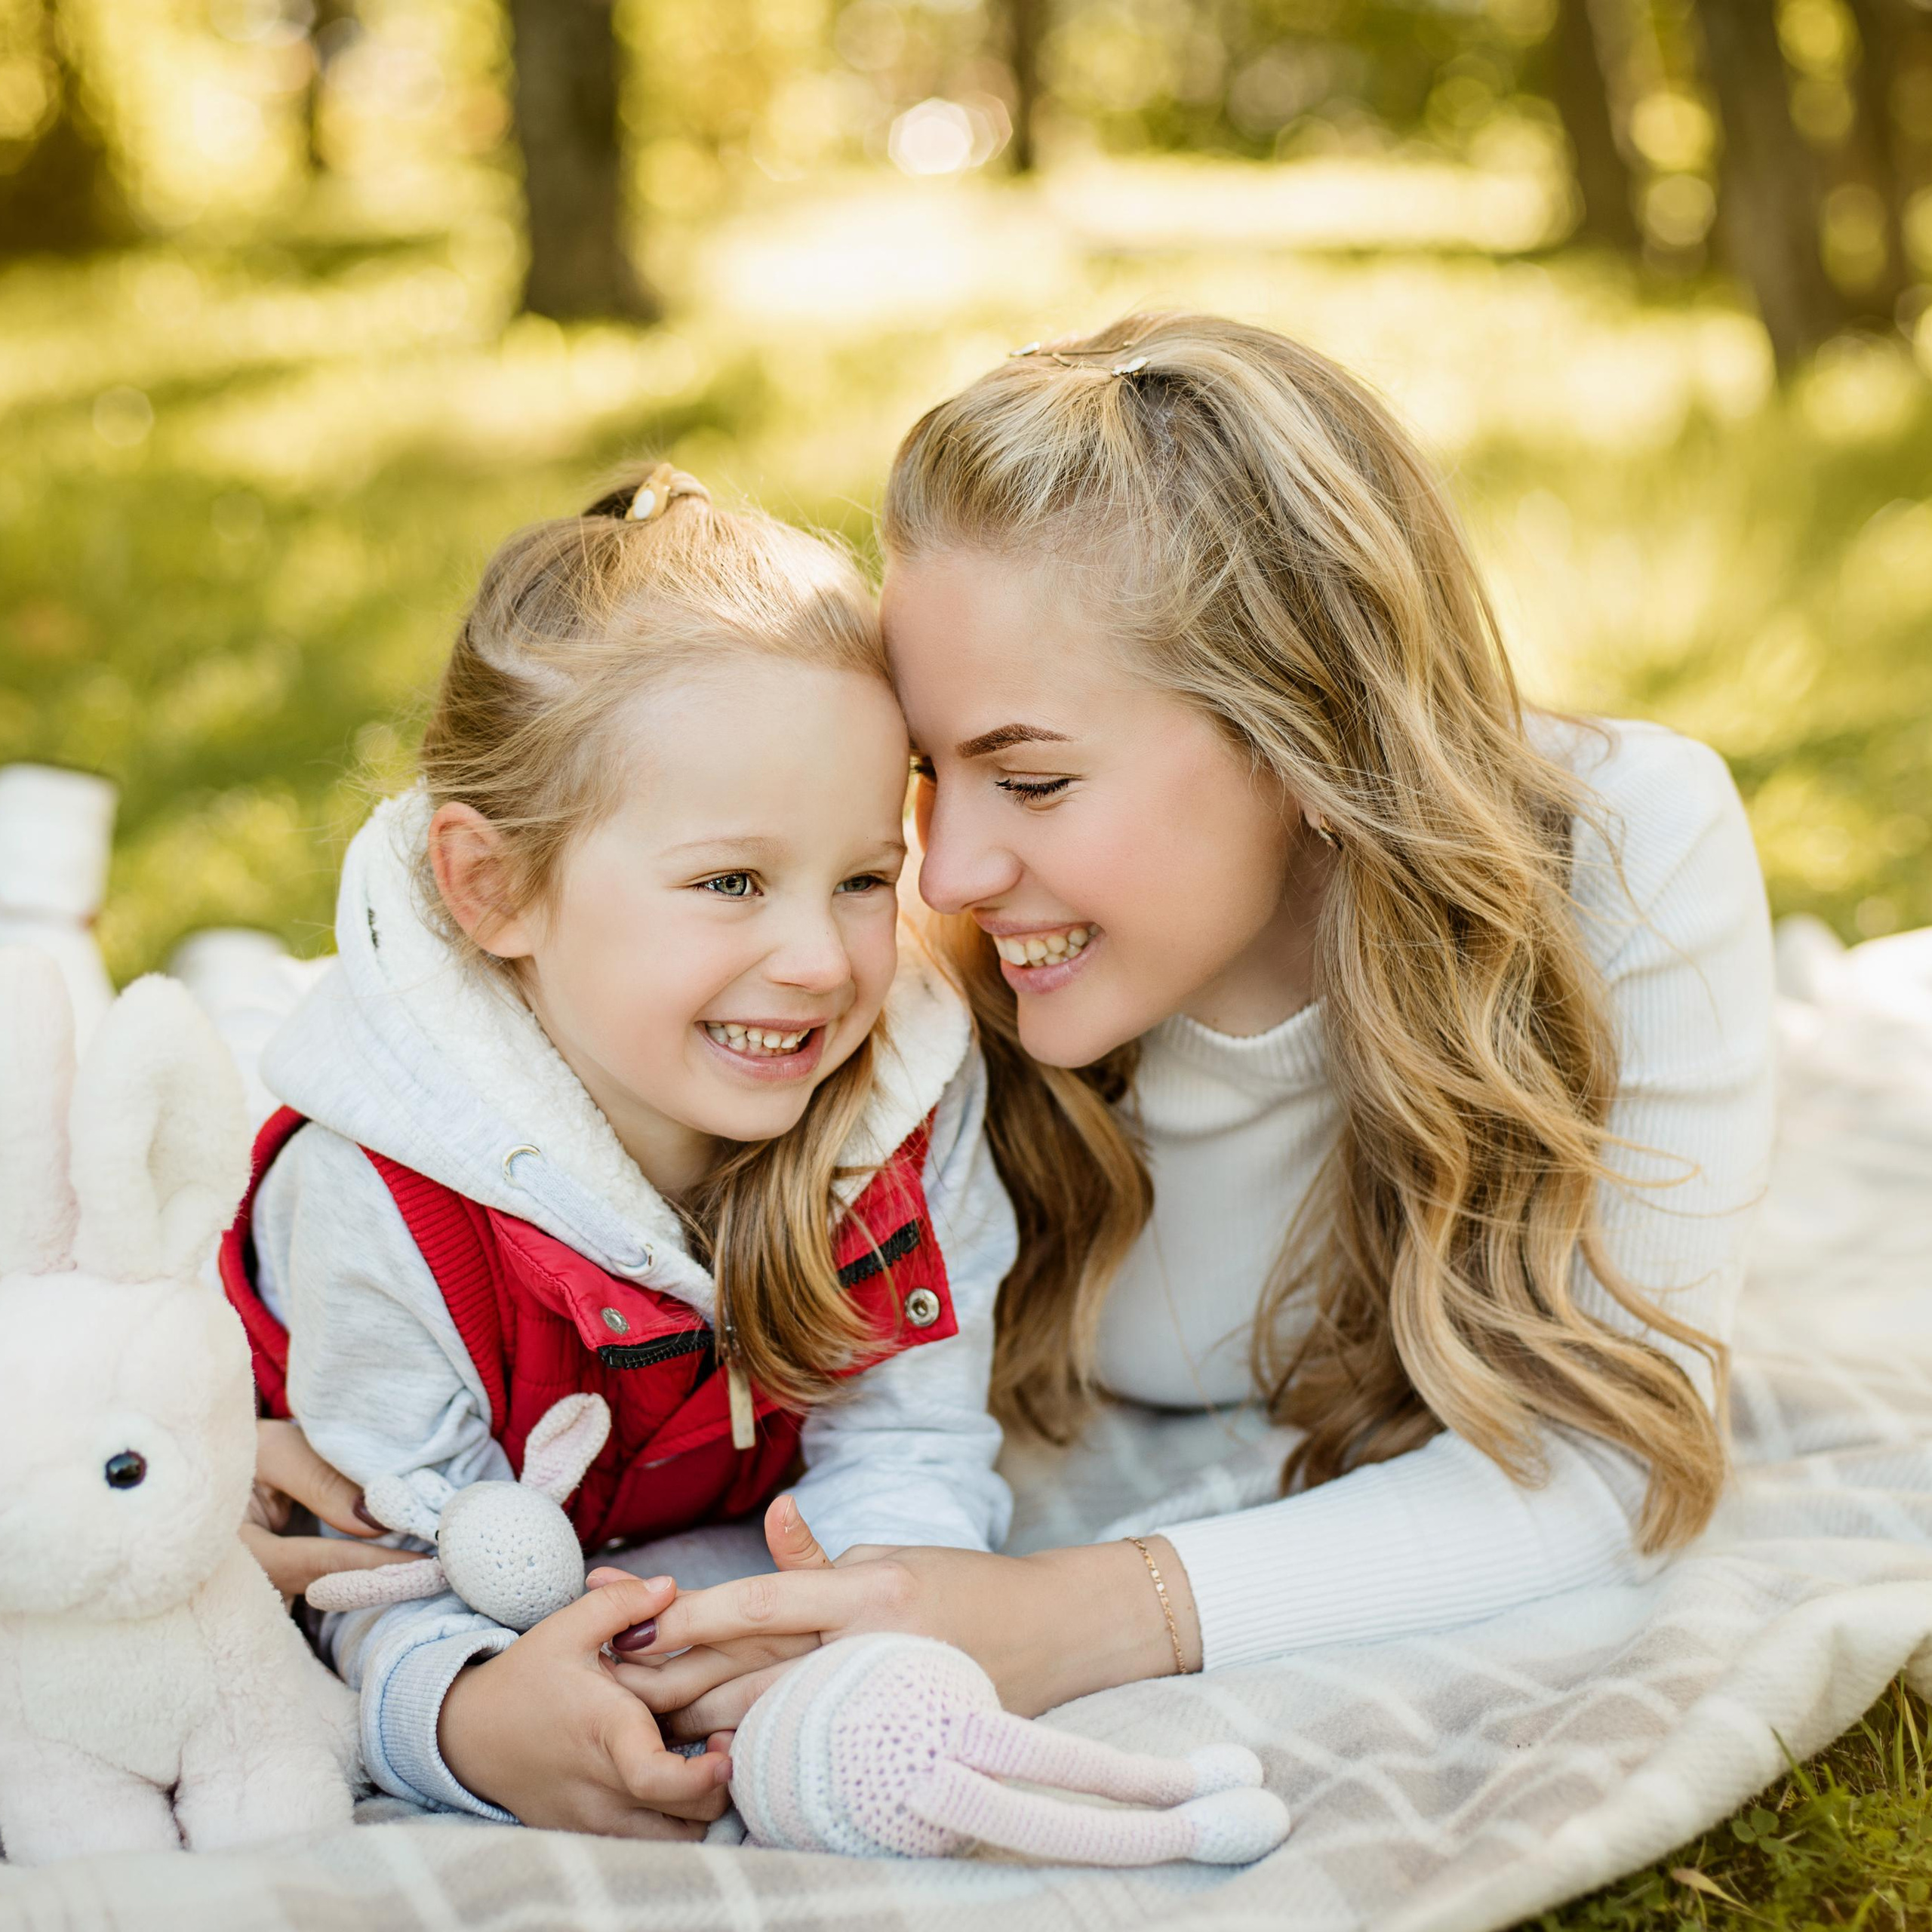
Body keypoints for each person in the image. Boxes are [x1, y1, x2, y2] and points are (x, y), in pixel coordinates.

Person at [620, 314, 1777, 1736]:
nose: (945, 872)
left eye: (1032, 782)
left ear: (1306, 736)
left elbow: (1613, 1465)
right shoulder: (898, 961)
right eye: (931, 773)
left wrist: (1079, 1618)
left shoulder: (1622, 857)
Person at [220, 467, 1016, 1835]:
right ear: (496, 888)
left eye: (864, 879)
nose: (822, 961)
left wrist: (859, 1630)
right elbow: (372, 1570)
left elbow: (917, 1446)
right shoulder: (376, 1206)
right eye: (730, 883)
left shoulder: (903, 1107)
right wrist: (468, 1720)